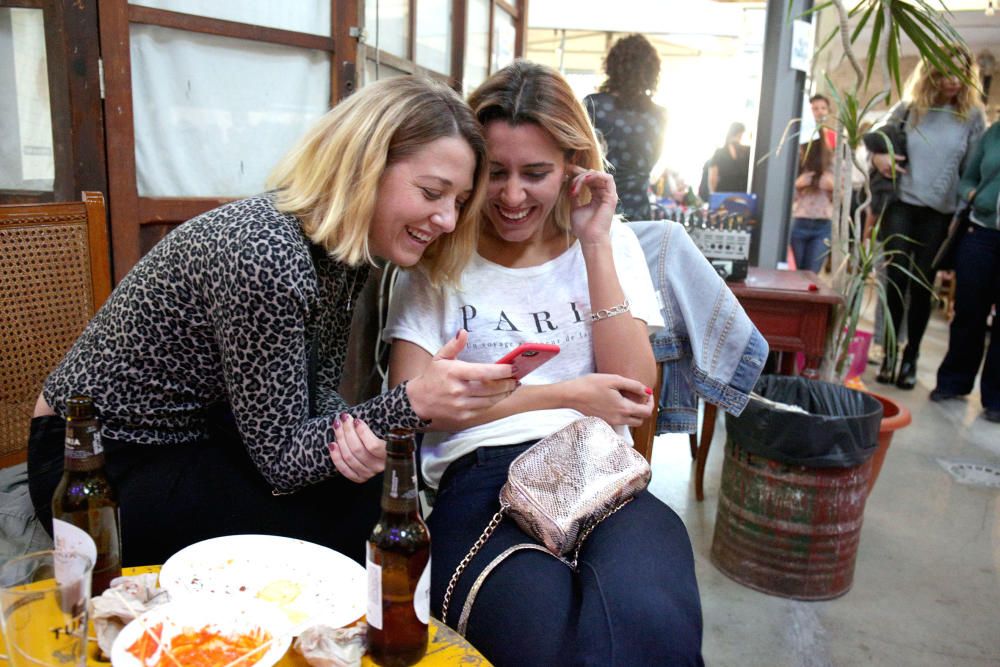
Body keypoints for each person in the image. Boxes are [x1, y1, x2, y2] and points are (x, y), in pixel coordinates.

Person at [26, 77, 517, 567]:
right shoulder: (266, 254)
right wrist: (412, 402)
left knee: (364, 488)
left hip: (203, 432)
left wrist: (354, 436)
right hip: (94, 461)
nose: (448, 221)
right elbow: (284, 460)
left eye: (457, 202)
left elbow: (313, 390)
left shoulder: (344, 248)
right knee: (351, 518)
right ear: (363, 167)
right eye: (433, 192)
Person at [382, 61, 704, 666]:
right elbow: (404, 407)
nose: (511, 196)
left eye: (536, 174)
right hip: (481, 480)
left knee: (652, 621)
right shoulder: (441, 252)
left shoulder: (610, 243)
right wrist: (569, 395)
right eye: (495, 173)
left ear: (572, 167)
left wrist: (596, 242)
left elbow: (636, 391)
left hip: (601, 473)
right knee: (541, 635)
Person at [871, 47, 986, 389]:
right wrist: (879, 158)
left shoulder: (973, 116)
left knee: (922, 286)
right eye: (945, 72)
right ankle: (890, 353)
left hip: (940, 213)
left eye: (959, 74)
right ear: (931, 73)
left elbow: (973, 170)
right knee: (895, 281)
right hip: (902, 205)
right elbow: (875, 139)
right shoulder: (910, 108)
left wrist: (963, 215)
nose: (952, 80)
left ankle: (911, 358)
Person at [931, 120, 1000, 423]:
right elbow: (967, 178)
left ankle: (996, 399)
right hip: (981, 233)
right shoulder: (994, 133)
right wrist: (973, 195)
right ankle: (953, 382)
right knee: (968, 311)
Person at [584, 34, 667, 221]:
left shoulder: (593, 105)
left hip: (595, 207)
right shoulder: (659, 116)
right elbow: (651, 162)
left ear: (612, 66)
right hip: (638, 210)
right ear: (651, 71)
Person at [789, 138, 835, 273]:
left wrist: (833, 188)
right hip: (799, 222)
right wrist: (797, 185)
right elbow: (785, 200)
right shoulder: (797, 166)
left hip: (823, 224)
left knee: (812, 275)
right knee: (795, 273)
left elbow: (844, 197)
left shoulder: (832, 166)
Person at [708, 122, 751, 194]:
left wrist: (713, 195)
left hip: (723, 195)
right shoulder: (748, 151)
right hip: (743, 195)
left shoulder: (719, 153)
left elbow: (713, 178)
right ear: (740, 134)